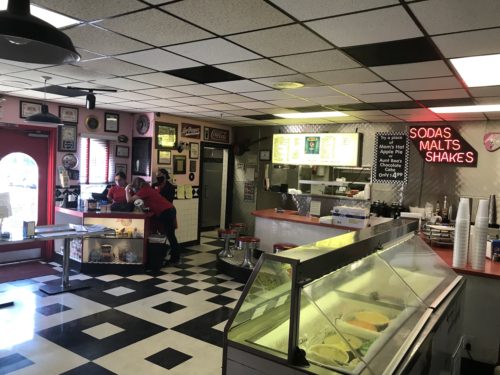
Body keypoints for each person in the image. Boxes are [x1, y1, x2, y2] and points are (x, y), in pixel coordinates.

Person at [126, 177, 181, 265]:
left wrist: (126, 189)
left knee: (170, 235)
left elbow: (129, 200)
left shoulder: (144, 190)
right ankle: (173, 257)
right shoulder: (148, 189)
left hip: (166, 211)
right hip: (169, 210)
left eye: (134, 187)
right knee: (170, 235)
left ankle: (175, 259)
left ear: (137, 185)